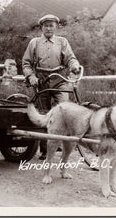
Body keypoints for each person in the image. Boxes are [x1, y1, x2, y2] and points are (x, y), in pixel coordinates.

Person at [22, 14, 82, 160]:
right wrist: (32, 77)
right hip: (41, 80)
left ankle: (64, 144)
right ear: (41, 27)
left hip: (59, 79)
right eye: (46, 25)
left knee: (64, 109)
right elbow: (26, 63)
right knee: (44, 113)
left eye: (51, 25)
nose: (49, 28)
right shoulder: (34, 43)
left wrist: (74, 67)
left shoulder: (62, 42)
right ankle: (45, 149)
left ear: (56, 27)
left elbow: (70, 58)